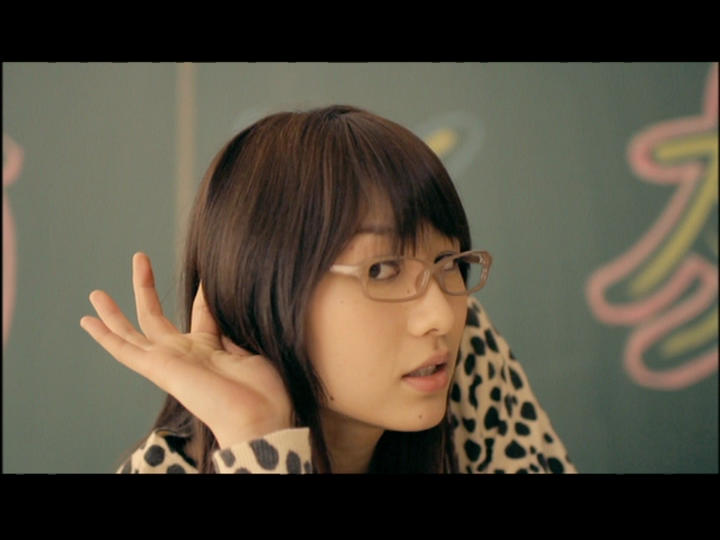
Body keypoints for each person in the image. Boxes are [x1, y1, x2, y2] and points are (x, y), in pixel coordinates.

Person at [81, 105, 575, 473]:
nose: (442, 316)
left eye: (448, 263)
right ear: (270, 289)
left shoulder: (461, 359)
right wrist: (257, 440)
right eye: (382, 269)